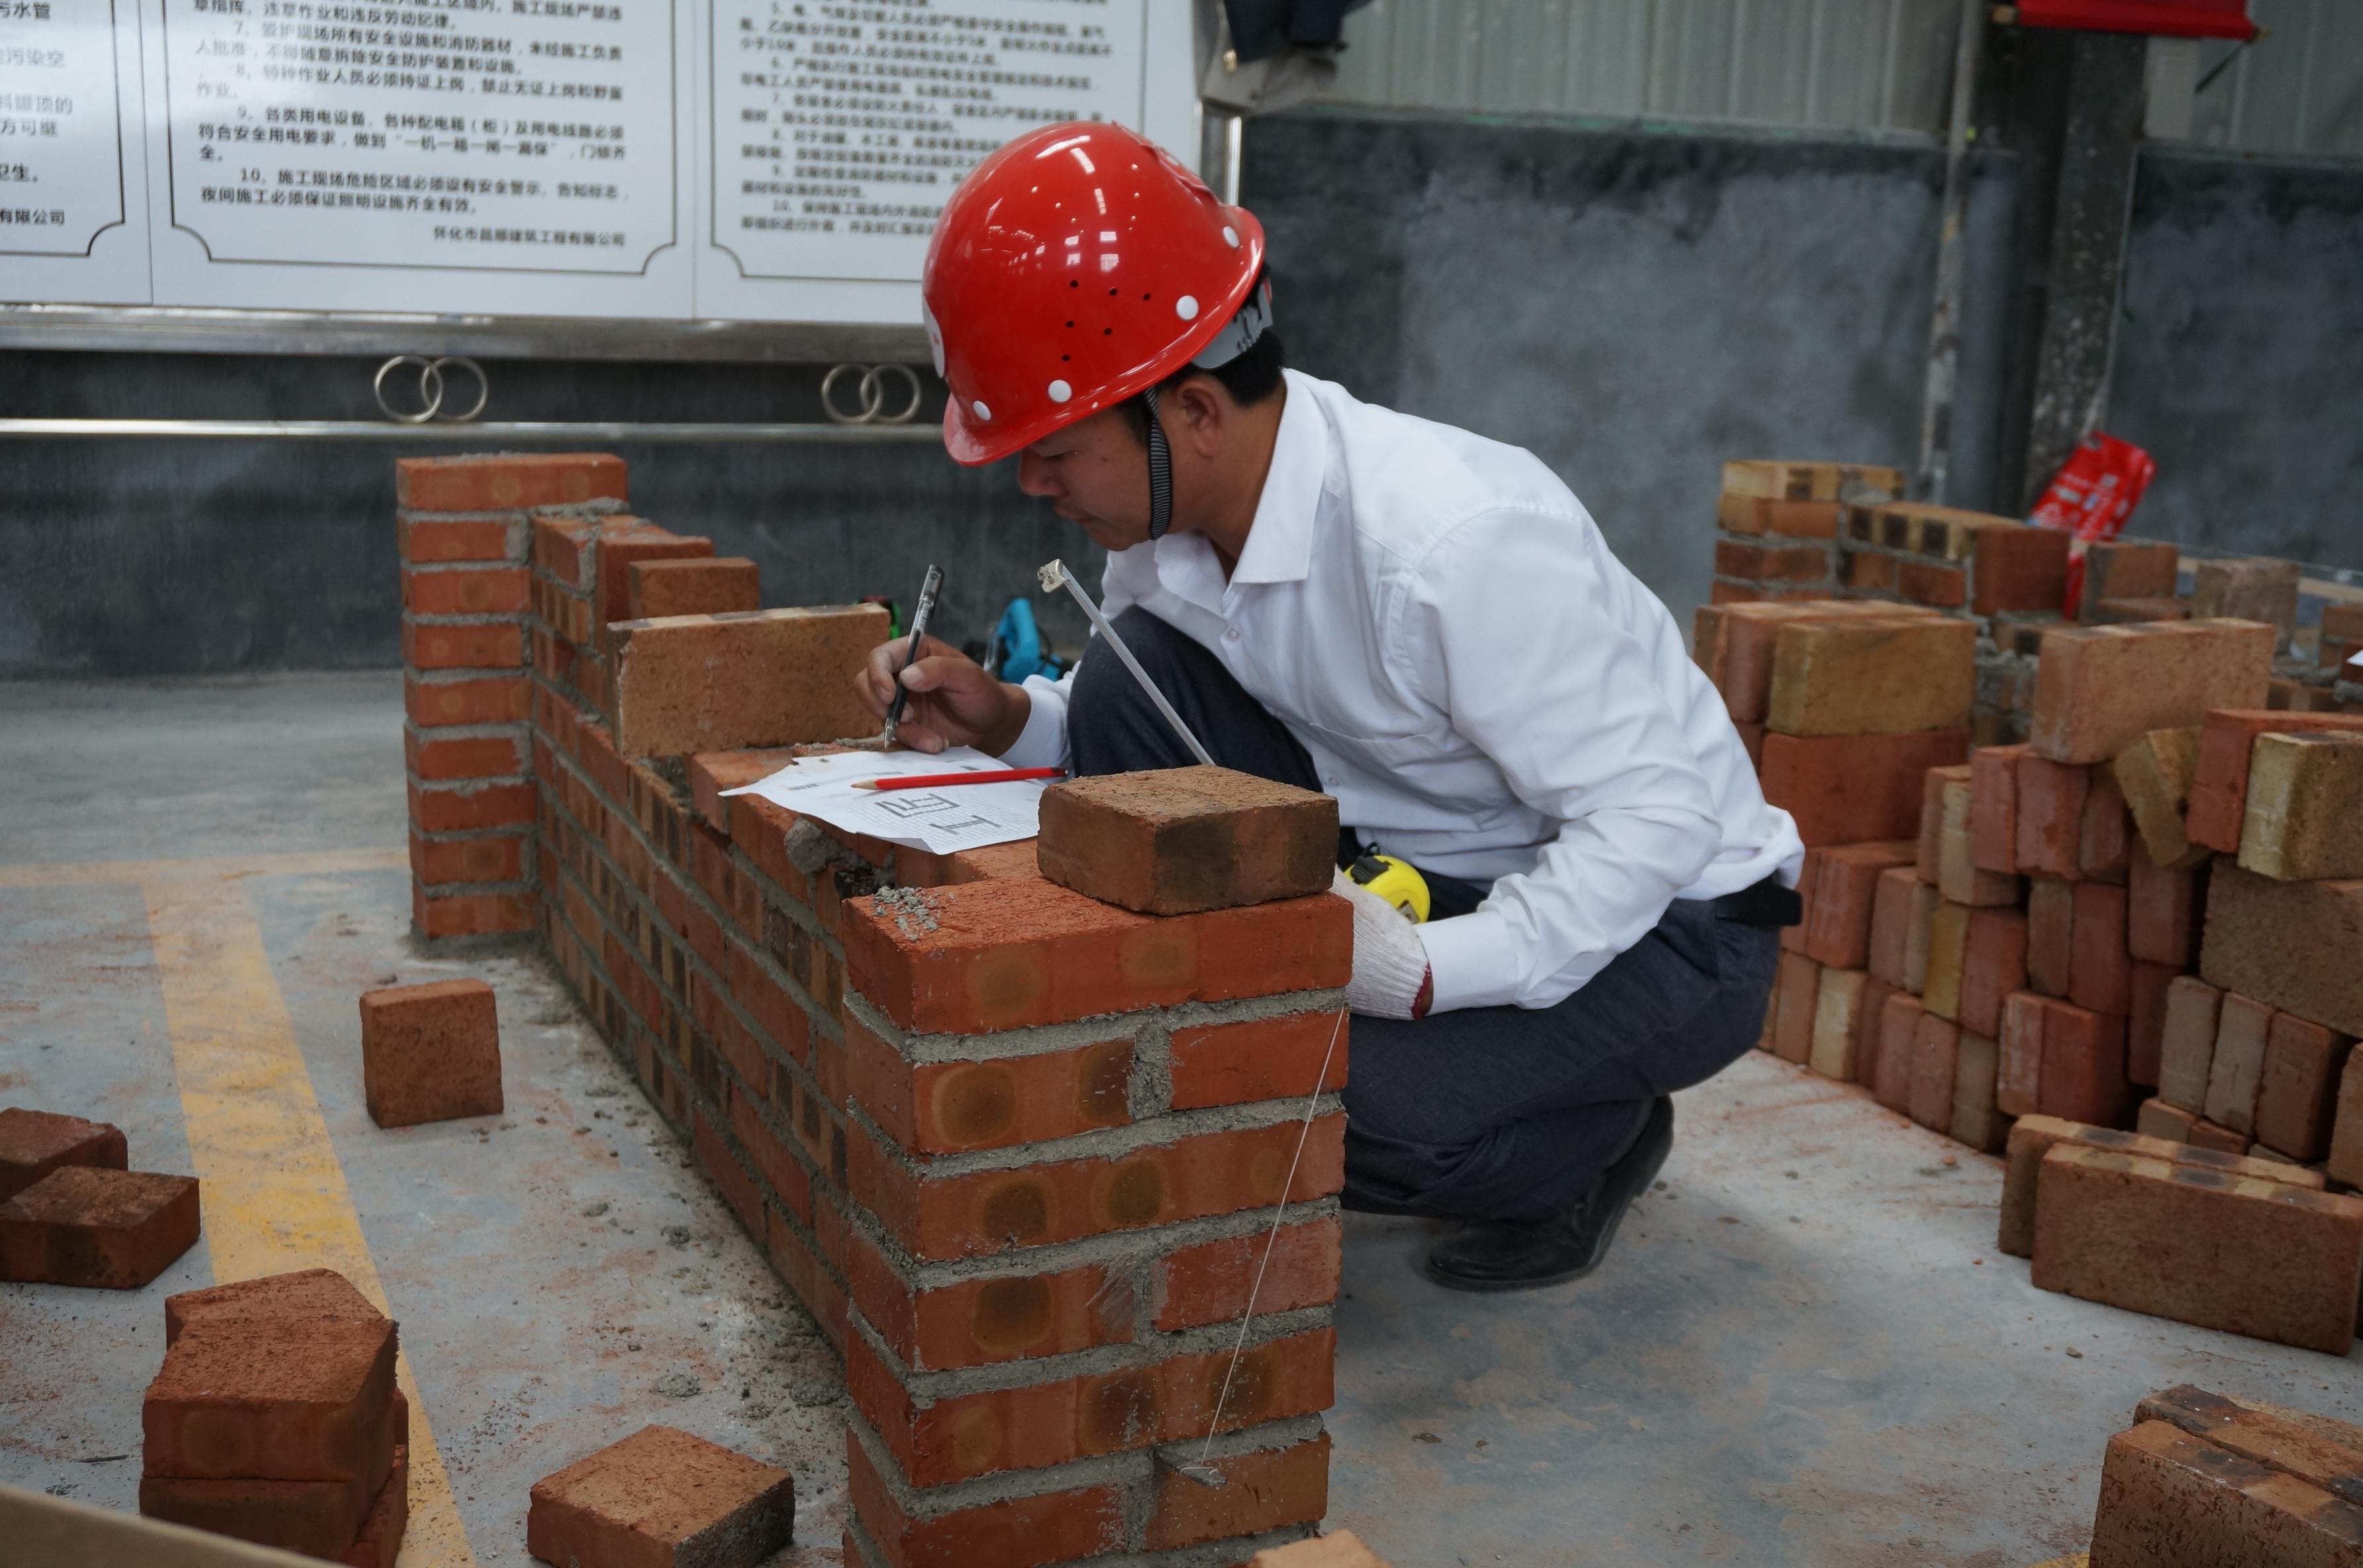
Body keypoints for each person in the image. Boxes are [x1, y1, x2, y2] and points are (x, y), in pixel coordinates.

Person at [852, 122, 1805, 1292]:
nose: (1030, 482)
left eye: (1056, 447)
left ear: (1195, 413)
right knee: (1131, 668)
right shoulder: (1164, 521)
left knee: (1314, 1094)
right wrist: (1003, 716)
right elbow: (1129, 717)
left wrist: (1428, 971)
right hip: (1413, 856)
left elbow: (1655, 824)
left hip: (1675, 925)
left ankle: (1587, 1147)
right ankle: (1326, 1026)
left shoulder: (1455, 544)